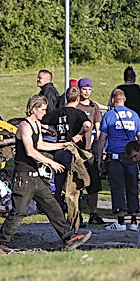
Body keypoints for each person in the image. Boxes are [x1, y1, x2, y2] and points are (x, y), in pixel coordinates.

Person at [0, 94, 91, 253]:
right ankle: (0, 244)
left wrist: (62, 145)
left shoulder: (37, 125)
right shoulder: (24, 126)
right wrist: (51, 162)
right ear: (34, 108)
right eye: (43, 110)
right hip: (23, 177)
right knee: (18, 212)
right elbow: (31, 151)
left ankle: (69, 237)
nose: (45, 113)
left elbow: (40, 144)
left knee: (52, 206)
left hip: (35, 176)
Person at [97, 88, 140, 230]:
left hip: (115, 156)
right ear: (124, 100)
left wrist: (100, 157)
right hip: (131, 156)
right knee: (132, 186)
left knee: (118, 187)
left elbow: (102, 138)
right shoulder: (134, 115)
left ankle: (121, 221)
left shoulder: (109, 115)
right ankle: (134, 221)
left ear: (112, 100)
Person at [44, 86, 93, 223]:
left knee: (59, 186)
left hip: (59, 150)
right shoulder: (79, 113)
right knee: (74, 187)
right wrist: (79, 135)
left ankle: (59, 218)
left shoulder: (57, 113)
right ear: (78, 99)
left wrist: (53, 130)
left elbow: (42, 123)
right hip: (72, 153)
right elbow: (88, 125)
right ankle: (76, 219)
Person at [76, 78, 106, 225]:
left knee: (94, 183)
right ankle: (77, 214)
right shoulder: (75, 106)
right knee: (77, 183)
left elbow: (98, 129)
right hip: (77, 150)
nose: (87, 92)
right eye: (84, 89)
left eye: (89, 89)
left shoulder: (94, 107)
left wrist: (101, 147)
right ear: (79, 90)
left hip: (90, 150)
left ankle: (93, 213)